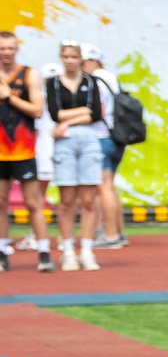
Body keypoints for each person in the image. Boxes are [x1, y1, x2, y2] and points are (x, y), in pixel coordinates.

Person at [47, 40, 111, 272]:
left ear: (80, 59)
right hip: (64, 141)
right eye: (66, 57)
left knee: (88, 199)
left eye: (74, 57)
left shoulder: (91, 81)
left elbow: (94, 113)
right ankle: (67, 250)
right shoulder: (53, 83)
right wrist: (79, 113)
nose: (70, 61)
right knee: (66, 200)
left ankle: (86, 249)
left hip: (88, 139)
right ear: (61, 58)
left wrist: (70, 120)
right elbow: (56, 113)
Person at [83, 45, 128, 250]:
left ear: (91, 61)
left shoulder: (96, 80)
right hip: (116, 137)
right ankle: (118, 232)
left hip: (102, 137)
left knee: (104, 187)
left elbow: (97, 111)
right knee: (109, 186)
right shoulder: (110, 77)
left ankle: (111, 235)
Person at [0, 31, 38, 268]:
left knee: (33, 203)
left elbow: (38, 110)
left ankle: (43, 252)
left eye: (10, 48)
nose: (6, 52)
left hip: (23, 149)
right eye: (2, 48)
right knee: (0, 201)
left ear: (16, 49)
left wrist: (8, 97)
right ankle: (2, 250)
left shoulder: (28, 74)